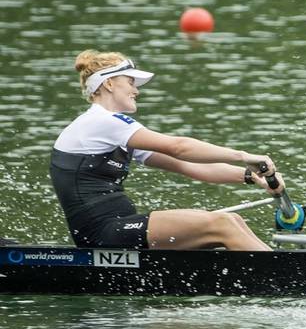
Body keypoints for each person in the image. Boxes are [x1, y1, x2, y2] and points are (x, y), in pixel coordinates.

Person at [50, 49, 283, 251]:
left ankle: (283, 272)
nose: (136, 91)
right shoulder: (101, 121)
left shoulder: (112, 130)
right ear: (109, 83)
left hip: (120, 226)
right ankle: (288, 281)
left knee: (233, 220)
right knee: (222, 224)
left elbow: (188, 165)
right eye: (130, 82)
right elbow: (179, 148)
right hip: (102, 234)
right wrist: (243, 156)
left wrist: (253, 177)